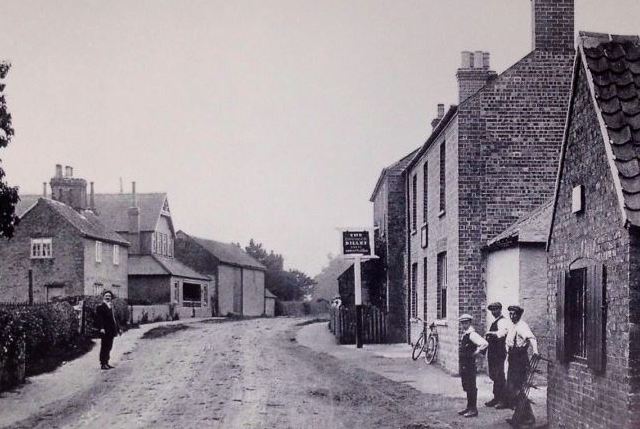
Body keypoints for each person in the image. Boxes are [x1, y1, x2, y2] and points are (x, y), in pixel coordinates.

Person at [502, 305, 538, 426]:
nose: (512, 316)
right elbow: (506, 337)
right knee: (513, 389)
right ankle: (523, 416)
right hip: (513, 359)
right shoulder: (512, 325)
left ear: (519, 315)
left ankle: (525, 417)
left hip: (520, 361)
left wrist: (535, 351)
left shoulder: (522, 326)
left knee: (517, 389)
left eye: (514, 314)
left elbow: (532, 338)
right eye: (510, 314)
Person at [457, 313, 488, 418]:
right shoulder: (465, 333)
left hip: (469, 363)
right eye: (462, 323)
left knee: (471, 385)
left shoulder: (472, 334)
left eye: (466, 322)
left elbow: (484, 343)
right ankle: (469, 407)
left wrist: (476, 352)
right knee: (466, 384)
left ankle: (473, 409)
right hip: (464, 363)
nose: (464, 325)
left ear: (470, 322)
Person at [484, 302, 510, 408]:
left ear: (500, 309)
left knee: (500, 375)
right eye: (492, 310)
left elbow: (502, 333)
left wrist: (491, 333)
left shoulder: (503, 321)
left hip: (499, 352)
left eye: (495, 310)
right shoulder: (495, 321)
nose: (493, 312)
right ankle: (496, 397)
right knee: (495, 375)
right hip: (493, 352)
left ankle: (503, 400)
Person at [96, 290, 120, 370]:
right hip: (105, 330)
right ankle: (103, 363)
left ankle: (107, 362)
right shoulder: (100, 307)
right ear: (103, 297)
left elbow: (115, 319)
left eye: (109, 296)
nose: (107, 297)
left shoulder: (111, 306)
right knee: (104, 346)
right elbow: (99, 319)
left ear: (111, 297)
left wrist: (119, 329)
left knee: (109, 346)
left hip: (111, 330)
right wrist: (101, 328)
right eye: (106, 296)